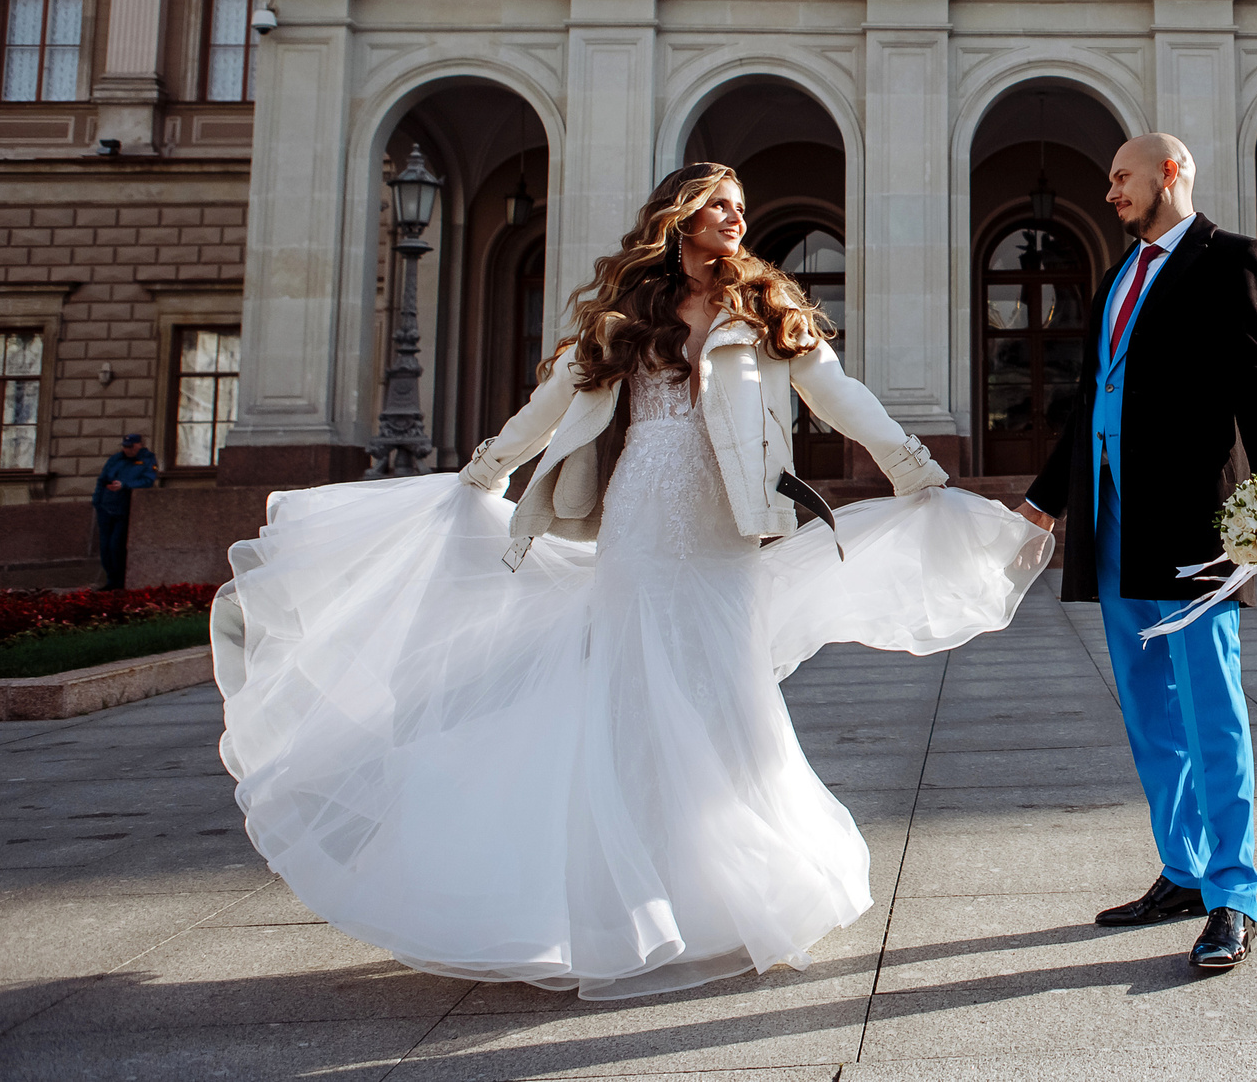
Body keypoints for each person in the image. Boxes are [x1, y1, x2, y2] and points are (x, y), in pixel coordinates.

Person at [210, 163, 1053, 1000]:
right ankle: (633, 894)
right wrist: (485, 471)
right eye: (718, 205)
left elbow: (837, 393)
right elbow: (552, 403)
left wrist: (913, 467)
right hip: (641, 516)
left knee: (726, 691)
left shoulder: (764, 304)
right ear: (679, 218)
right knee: (633, 695)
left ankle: (730, 884)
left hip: (726, 525)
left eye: (741, 208)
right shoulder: (629, 313)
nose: (735, 218)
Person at [1020, 133, 1257, 972]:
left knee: (1212, 709)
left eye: (1120, 177)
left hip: (1192, 533)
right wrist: (1045, 499)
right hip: (1112, 528)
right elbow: (1089, 399)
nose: (1109, 192)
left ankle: (1232, 894)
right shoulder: (1118, 274)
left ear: (1169, 173)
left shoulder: (1234, 258)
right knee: (1149, 713)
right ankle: (1181, 869)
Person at [92, 433, 159, 590]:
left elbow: (147, 481)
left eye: (130, 447)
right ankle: (111, 580)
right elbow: (102, 480)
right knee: (105, 547)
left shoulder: (147, 459)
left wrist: (124, 484)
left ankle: (120, 581)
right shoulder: (116, 459)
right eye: (125, 447)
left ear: (139, 445)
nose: (127, 450)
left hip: (125, 507)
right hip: (106, 506)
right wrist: (97, 501)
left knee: (116, 545)